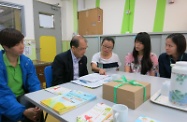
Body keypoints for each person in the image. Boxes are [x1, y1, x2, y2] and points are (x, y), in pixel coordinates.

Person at [0, 28, 43, 122]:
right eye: (17, 44)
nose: (22, 46)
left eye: (22, 42)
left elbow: (34, 83)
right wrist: (23, 111)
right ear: (6, 47)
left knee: (37, 110)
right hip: (5, 100)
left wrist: (38, 102)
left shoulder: (26, 62)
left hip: (22, 97)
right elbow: (2, 94)